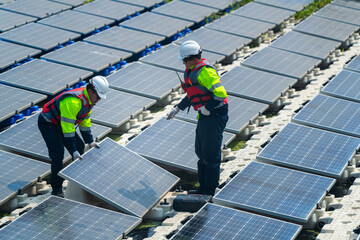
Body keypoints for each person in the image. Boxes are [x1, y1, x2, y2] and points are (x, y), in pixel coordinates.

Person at [167, 40, 228, 196]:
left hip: (215, 115)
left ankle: (209, 190)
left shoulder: (205, 72)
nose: (183, 63)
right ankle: (202, 188)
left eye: (185, 60)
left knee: (210, 155)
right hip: (205, 115)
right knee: (200, 151)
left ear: (193, 58)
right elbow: (193, 94)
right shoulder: (191, 70)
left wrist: (207, 108)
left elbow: (220, 95)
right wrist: (178, 108)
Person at [38, 76, 109, 197]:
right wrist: (73, 150)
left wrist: (90, 142)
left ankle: (76, 180)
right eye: (98, 96)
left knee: (80, 146)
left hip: (63, 124)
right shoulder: (73, 101)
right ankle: (56, 189)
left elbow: (85, 121)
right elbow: (68, 129)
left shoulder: (89, 100)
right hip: (49, 123)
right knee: (58, 154)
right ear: (91, 91)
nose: (98, 100)